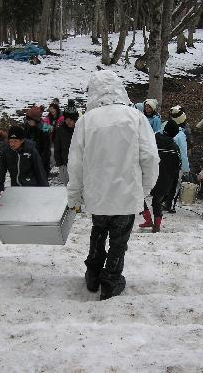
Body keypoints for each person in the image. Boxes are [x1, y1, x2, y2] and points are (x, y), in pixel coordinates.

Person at [67, 70, 159, 301]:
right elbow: (150, 157)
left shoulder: (86, 121)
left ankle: (93, 274)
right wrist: (144, 189)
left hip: (97, 195)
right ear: (120, 89)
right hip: (126, 195)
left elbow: (75, 163)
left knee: (98, 233)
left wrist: (75, 196)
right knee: (119, 240)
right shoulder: (135, 117)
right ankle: (111, 280)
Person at [138, 131, 180, 232]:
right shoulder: (175, 148)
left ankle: (148, 219)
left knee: (139, 197)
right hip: (166, 179)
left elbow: (144, 157)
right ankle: (156, 226)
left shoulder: (153, 142)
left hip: (151, 176)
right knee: (157, 201)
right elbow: (177, 166)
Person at [0, 125, 48, 191]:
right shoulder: (6, 151)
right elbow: (1, 169)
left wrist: (45, 189)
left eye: (15, 141)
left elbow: (39, 170)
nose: (12, 144)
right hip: (16, 186)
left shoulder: (31, 150)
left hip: (31, 186)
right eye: (10, 141)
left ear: (22, 140)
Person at [161, 117, 190, 213]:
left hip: (165, 164)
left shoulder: (164, 130)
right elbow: (183, 153)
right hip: (176, 165)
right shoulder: (181, 135)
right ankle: (170, 205)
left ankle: (162, 201)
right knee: (175, 186)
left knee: (167, 183)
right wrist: (185, 168)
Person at [54, 100, 78, 185]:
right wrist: (59, 163)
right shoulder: (60, 130)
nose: (68, 122)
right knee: (67, 186)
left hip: (78, 164)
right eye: (66, 119)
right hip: (64, 164)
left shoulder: (80, 129)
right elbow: (57, 147)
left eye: (71, 120)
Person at [24, 105, 52, 176]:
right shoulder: (27, 127)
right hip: (29, 160)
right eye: (27, 119)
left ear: (35, 120)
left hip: (41, 161)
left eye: (30, 119)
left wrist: (42, 162)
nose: (28, 121)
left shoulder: (44, 130)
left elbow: (46, 150)